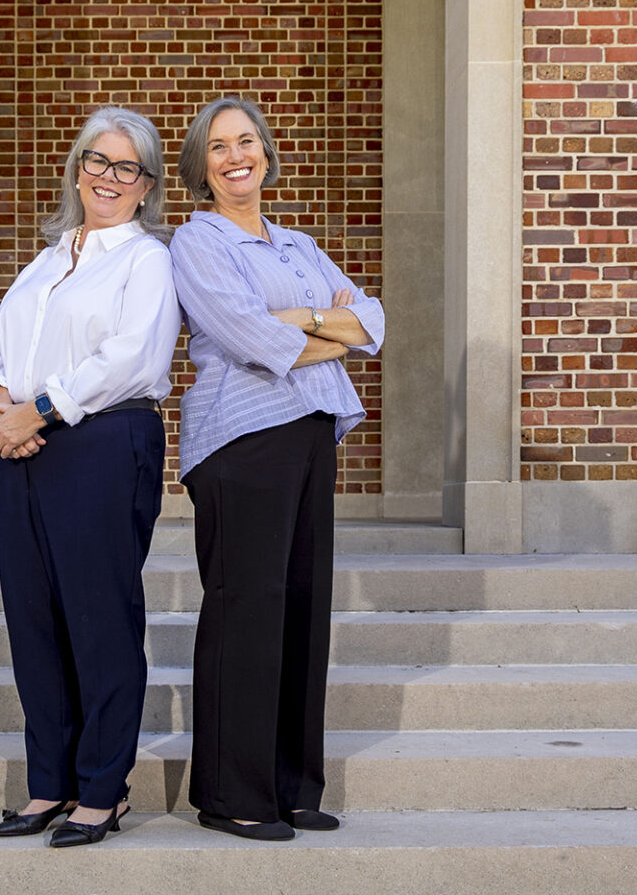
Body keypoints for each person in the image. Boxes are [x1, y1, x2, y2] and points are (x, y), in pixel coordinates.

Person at [168, 95, 385, 841]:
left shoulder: (295, 244)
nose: (237, 156)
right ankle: (232, 794)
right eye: (221, 146)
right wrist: (325, 325)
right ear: (202, 164)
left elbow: (374, 322)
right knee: (247, 612)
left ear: (265, 152)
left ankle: (292, 786)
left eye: (248, 141)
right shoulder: (197, 244)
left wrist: (302, 324)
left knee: (302, 611)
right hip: (241, 442)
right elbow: (247, 337)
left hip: (309, 432)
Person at [0, 106, 179, 848]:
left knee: (98, 618)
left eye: (126, 168)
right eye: (98, 161)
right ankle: (49, 784)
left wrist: (39, 409)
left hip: (102, 440)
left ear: (146, 185)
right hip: (23, 446)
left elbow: (130, 359)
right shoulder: (49, 257)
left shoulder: (146, 259)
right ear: (78, 166)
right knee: (33, 619)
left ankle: (102, 789)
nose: (108, 178)